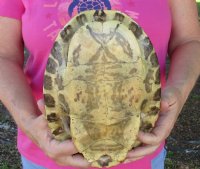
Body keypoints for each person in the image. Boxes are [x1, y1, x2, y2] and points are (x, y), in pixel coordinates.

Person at [0, 0, 200, 169]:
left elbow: (189, 41)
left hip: (139, 147)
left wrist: (176, 95)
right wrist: (30, 124)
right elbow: (4, 56)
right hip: (48, 152)